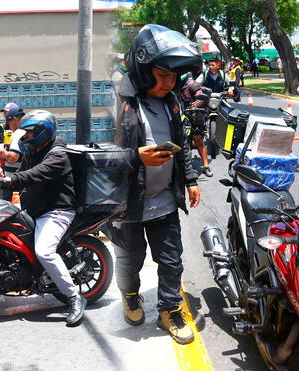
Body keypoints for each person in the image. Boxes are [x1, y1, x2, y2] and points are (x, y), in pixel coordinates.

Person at [113, 24, 201, 345]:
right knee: (130, 258)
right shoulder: (118, 101)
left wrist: (189, 179)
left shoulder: (172, 102)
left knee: (171, 259)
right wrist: (135, 157)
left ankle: (168, 310)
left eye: (173, 77)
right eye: (162, 75)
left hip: (164, 201)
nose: (170, 83)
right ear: (142, 68)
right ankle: (131, 295)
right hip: (128, 205)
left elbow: (182, 145)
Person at [0, 110, 85, 326]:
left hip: (57, 211)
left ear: (44, 132)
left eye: (31, 133)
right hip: (36, 209)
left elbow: (34, 175)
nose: (27, 137)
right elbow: (22, 175)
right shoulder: (34, 151)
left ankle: (74, 298)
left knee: (44, 251)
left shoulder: (58, 154)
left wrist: (8, 181)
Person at [180, 74, 212, 177]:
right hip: (179, 115)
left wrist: (197, 103)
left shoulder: (192, 84)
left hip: (194, 115)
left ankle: (206, 166)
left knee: (198, 140)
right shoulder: (173, 84)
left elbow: (201, 96)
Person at [0, 103, 25, 201]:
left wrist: (4, 153)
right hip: (12, 172)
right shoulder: (2, 127)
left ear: (15, 118)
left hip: (17, 177)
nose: (5, 117)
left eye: (7, 116)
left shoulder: (19, 132)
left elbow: (13, 157)